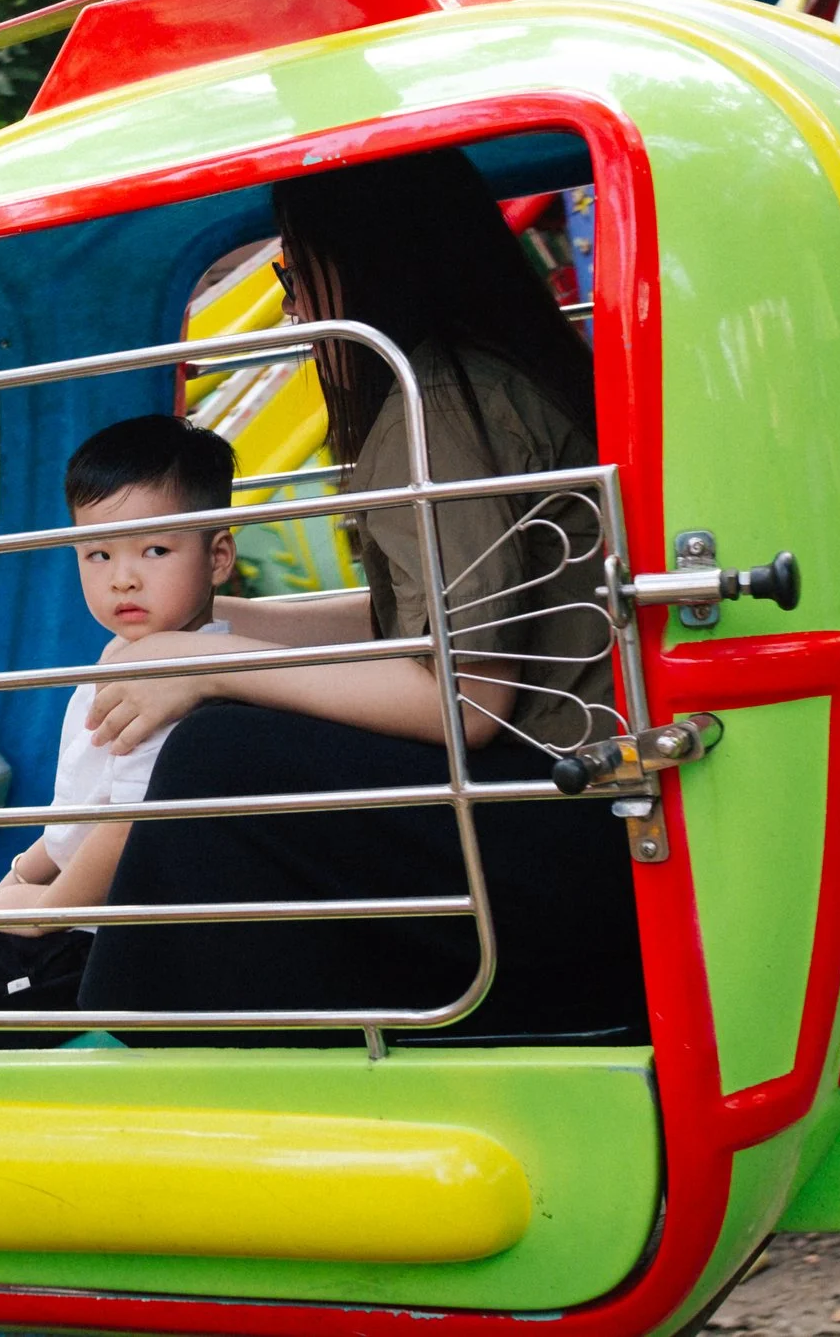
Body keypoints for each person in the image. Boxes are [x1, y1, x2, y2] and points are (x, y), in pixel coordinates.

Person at [74, 145, 646, 1047]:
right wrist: (212, 625)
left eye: (295, 273)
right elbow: (414, 625)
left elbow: (469, 700)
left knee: (222, 753)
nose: (295, 306)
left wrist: (218, 665)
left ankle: (128, 1023)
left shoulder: (447, 404)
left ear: (375, 256)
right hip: (565, 801)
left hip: (563, 815)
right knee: (237, 730)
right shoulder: (462, 382)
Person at [0, 415, 236, 1051]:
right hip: (97, 917)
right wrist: (23, 872)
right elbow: (87, 816)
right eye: (98, 553)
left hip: (126, 945)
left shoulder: (181, 676)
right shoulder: (123, 658)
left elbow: (134, 830)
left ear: (217, 556)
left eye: (154, 551)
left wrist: (49, 911)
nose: (122, 578)